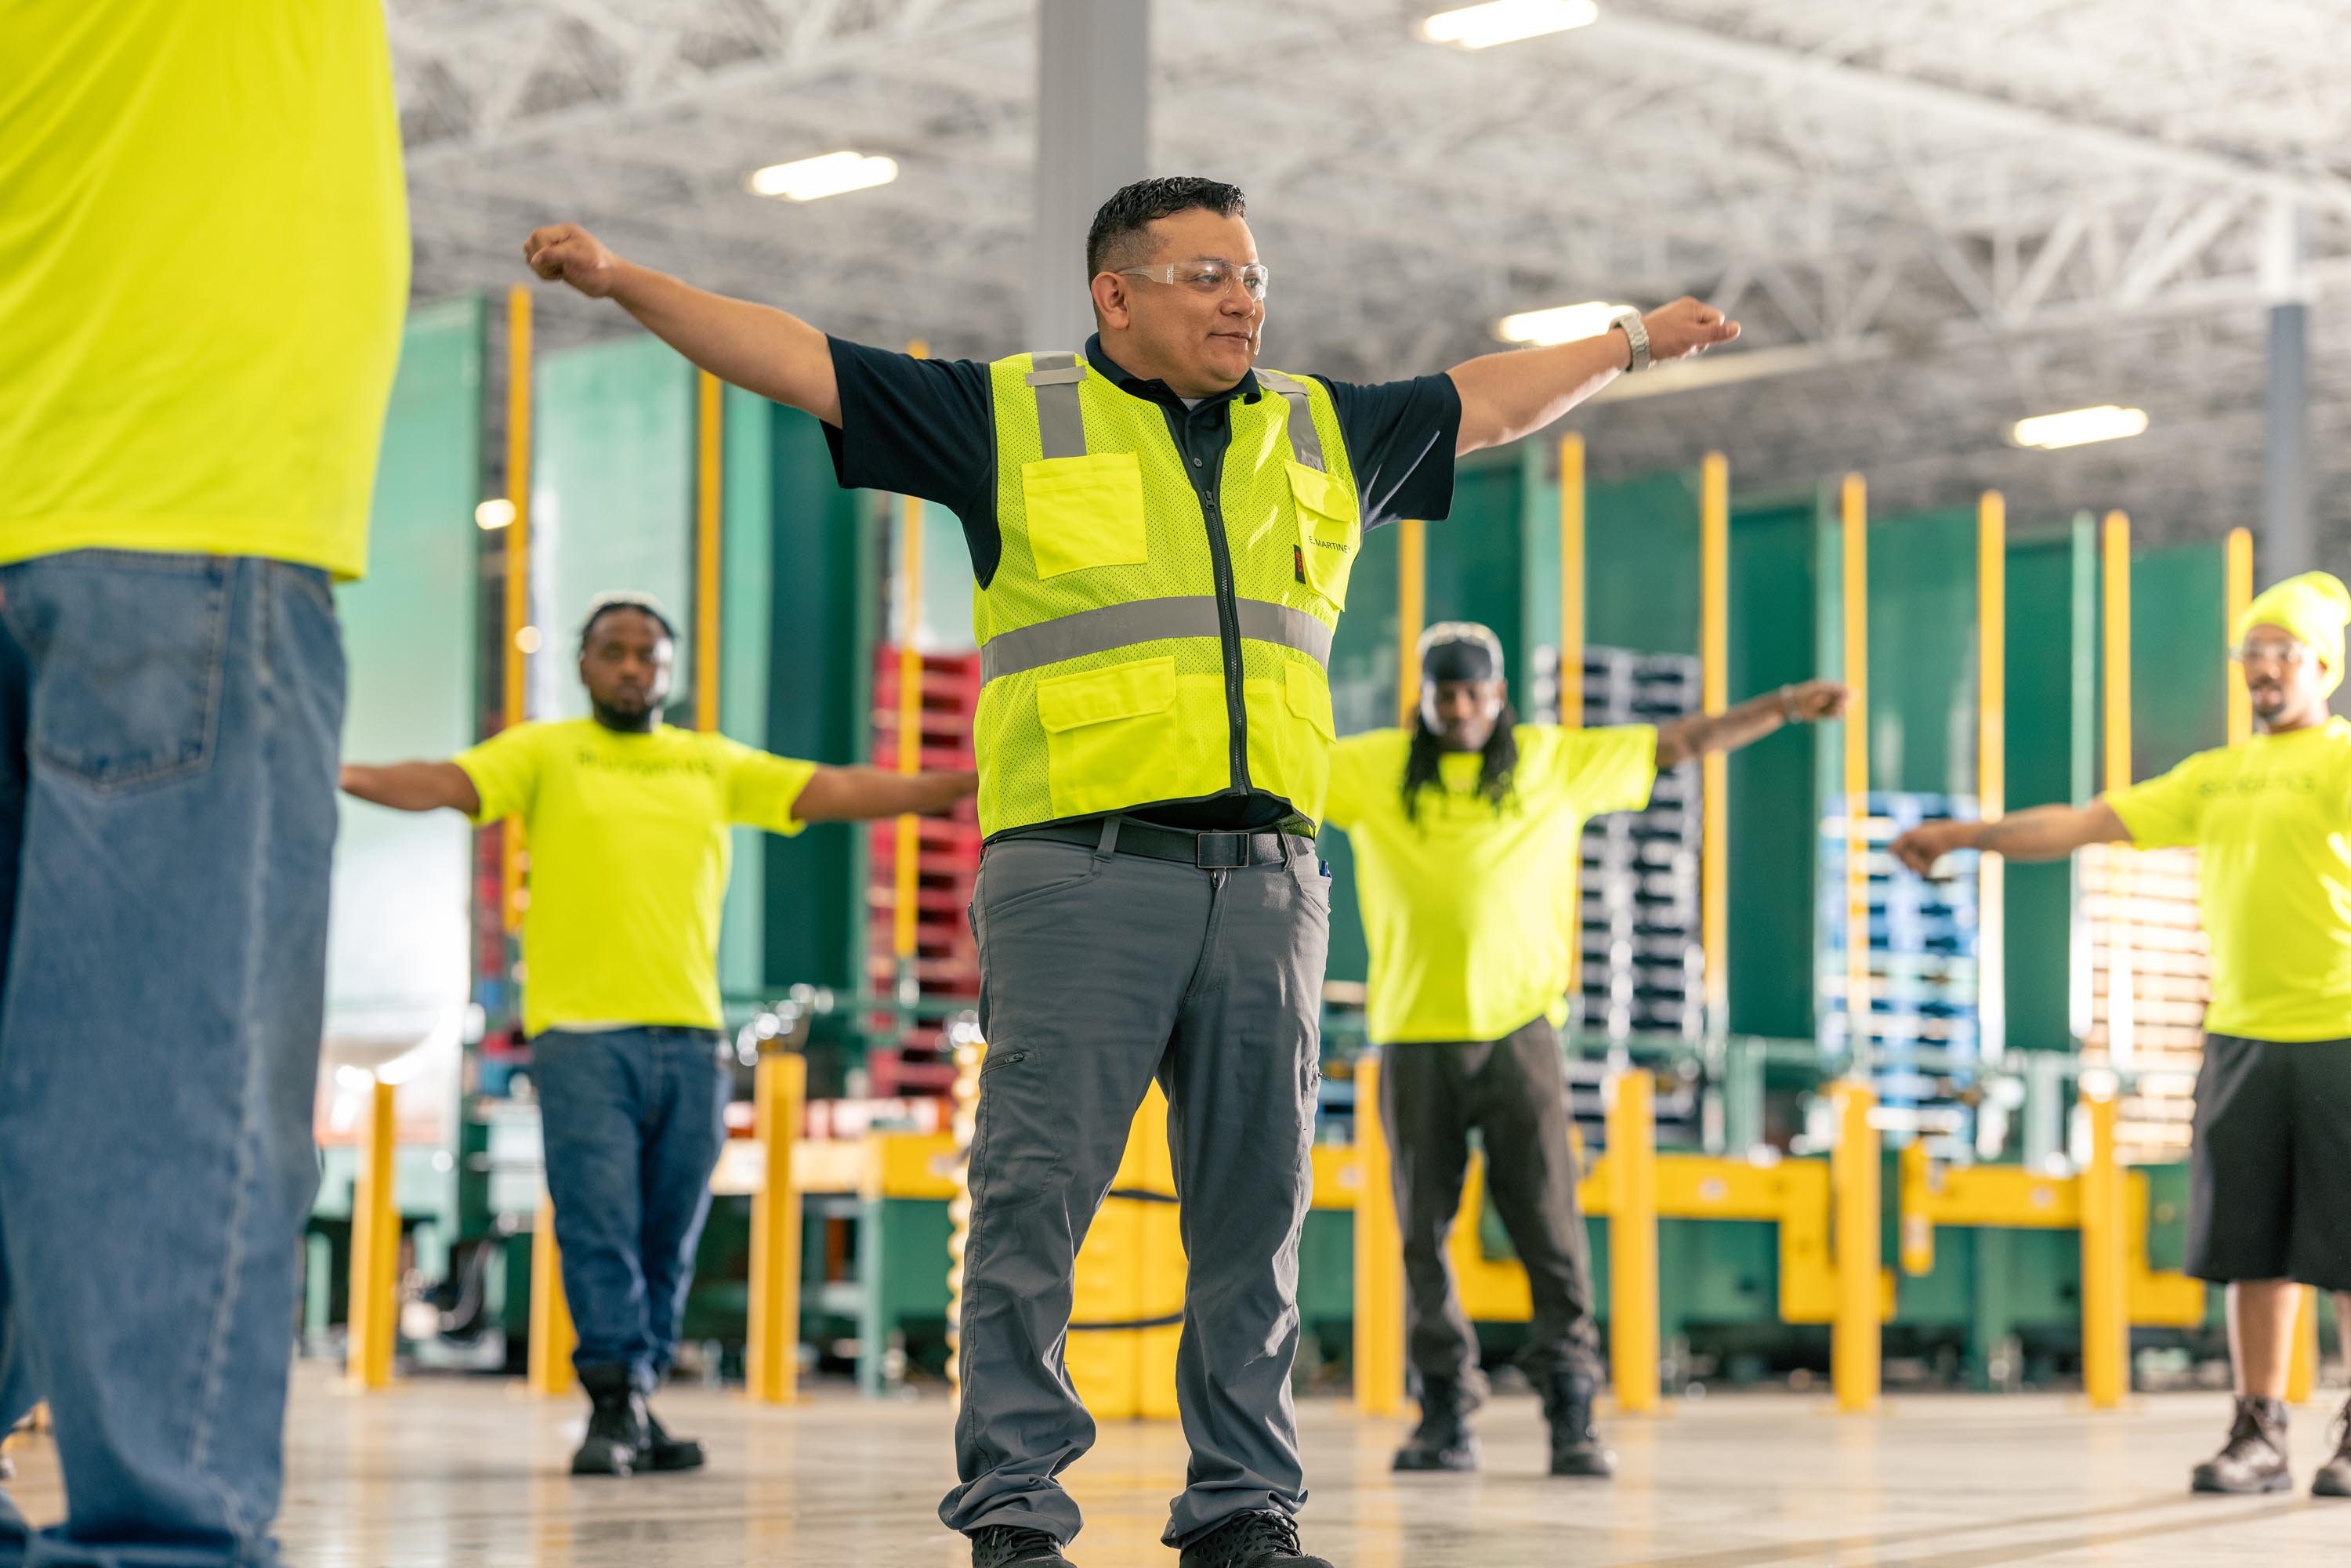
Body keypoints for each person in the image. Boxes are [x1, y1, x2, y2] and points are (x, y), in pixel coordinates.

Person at [520, 176, 1738, 1568]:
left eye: (1254, 273)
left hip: (1272, 889)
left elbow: (1489, 397)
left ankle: (1240, 1510)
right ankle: (1019, 1512)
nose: (1244, 298)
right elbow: (797, 357)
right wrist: (624, 283)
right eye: (1208, 274)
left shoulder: (1319, 431)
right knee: (1036, 1201)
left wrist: (1629, 342)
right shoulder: (1012, 419)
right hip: (1080, 878)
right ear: (1117, 294)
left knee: (1255, 1211)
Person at [0, 4, 408, 1563]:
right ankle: (164, 1538)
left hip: (43, 488)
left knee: (28, 1063)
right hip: (175, 492)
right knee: (165, 1061)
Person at [342, 593, 975, 1476]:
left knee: (670, 1233)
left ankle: (636, 1398)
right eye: (615, 651)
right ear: (585, 665)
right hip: (583, 1041)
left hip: (690, 1044)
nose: (634, 666)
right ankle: (611, 1402)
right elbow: (442, 784)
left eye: (650, 654)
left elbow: (833, 790)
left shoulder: (708, 764)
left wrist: (962, 783)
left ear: (670, 672)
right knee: (599, 1222)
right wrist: (338, 773)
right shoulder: (545, 753)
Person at [1324, 623, 1845, 1476]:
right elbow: (1274, 759)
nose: (1460, 709)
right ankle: (1445, 1413)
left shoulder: (1552, 762)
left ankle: (1571, 1413)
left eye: (1475, 693)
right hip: (1413, 1037)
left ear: (1500, 696)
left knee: (1551, 1234)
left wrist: (1784, 707)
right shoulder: (1373, 769)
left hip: (1522, 1037)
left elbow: (1680, 743)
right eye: (1444, 694)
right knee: (1422, 1237)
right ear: (1423, 698)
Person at [1893, 570, 2351, 1498]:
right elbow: (2086, 822)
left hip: (2343, 1030)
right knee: (2253, 1250)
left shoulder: (2343, 761)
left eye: (2283, 653)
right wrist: (1967, 835)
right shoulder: (2213, 776)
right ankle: (2259, 1433)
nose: (2264, 671)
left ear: (2324, 667)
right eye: (2251, 654)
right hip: (2242, 1037)